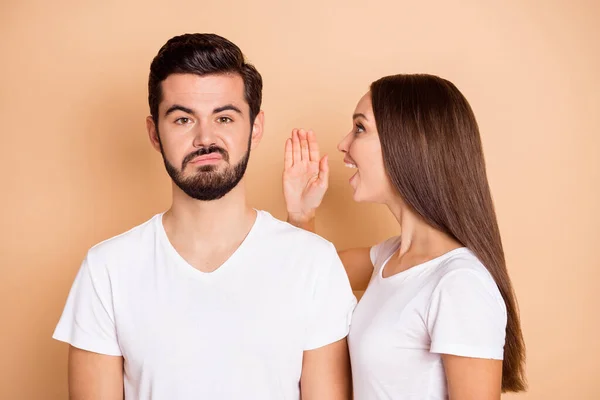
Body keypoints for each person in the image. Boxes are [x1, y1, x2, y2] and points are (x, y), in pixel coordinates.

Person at [53, 33, 356, 400]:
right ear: (154, 133)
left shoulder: (314, 262)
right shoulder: (107, 268)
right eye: (183, 119)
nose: (205, 138)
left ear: (255, 128)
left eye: (225, 118)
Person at [283, 74, 527, 399]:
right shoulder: (388, 257)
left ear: (408, 143)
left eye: (360, 128)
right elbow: (307, 279)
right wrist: (302, 214)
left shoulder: (460, 283)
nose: (343, 143)